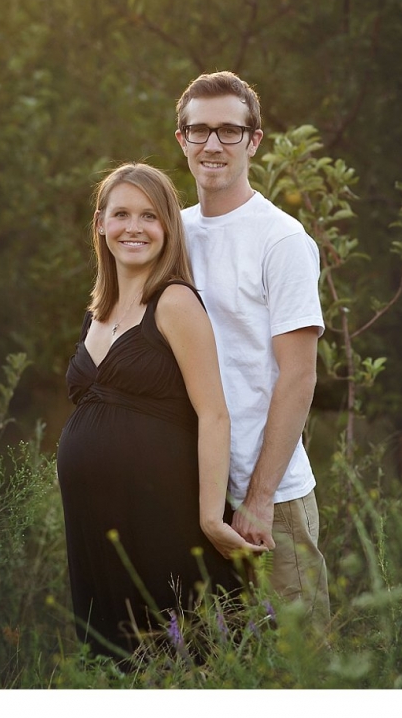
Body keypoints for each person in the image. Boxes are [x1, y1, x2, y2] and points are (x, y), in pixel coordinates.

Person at [56, 162, 264, 657]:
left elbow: (214, 413)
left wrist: (212, 518)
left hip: (163, 516)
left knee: (185, 650)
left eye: (149, 216)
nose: (134, 227)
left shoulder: (173, 303)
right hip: (95, 523)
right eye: (121, 213)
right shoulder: (96, 313)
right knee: (116, 657)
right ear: (100, 224)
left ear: (168, 228)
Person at [175, 71, 330, 629]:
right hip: (193, 492)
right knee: (212, 663)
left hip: (269, 500)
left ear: (254, 140)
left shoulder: (281, 240)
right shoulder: (175, 233)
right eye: (199, 130)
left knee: (300, 666)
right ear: (182, 140)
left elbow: (298, 377)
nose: (212, 144)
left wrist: (259, 497)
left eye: (229, 131)